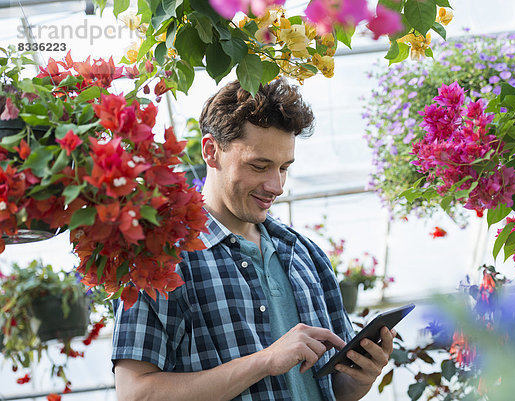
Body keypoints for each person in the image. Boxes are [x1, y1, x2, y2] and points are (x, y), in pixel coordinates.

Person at [111, 79, 395, 401]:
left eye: (284, 168)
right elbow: (135, 394)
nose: (276, 186)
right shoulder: (164, 259)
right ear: (211, 151)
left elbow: (332, 389)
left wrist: (360, 379)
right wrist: (264, 361)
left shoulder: (305, 255)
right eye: (259, 166)